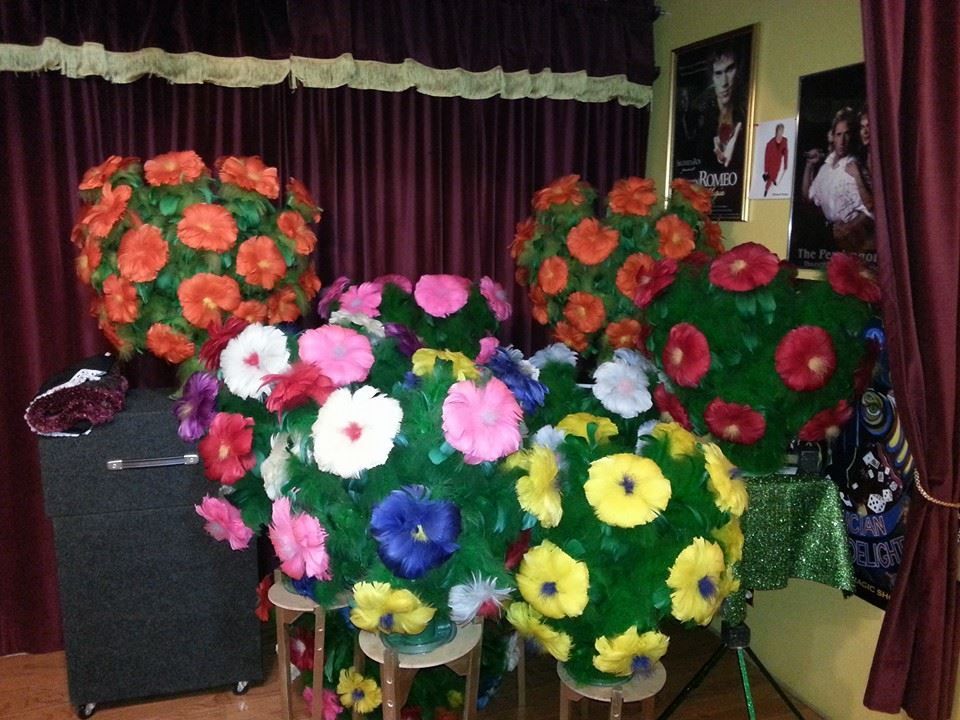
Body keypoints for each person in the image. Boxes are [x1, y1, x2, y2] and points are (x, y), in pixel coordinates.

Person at [801, 107, 873, 251]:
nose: (842, 140)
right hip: (830, 238)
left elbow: (872, 210)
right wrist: (809, 166)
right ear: (832, 137)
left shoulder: (855, 166)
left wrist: (849, 227)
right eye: (839, 135)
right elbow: (808, 197)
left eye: (847, 134)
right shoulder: (826, 168)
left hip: (857, 239)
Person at [762, 123, 789, 196]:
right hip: (771, 164)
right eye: (779, 131)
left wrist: (785, 165)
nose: (780, 133)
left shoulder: (784, 142)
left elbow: (785, 153)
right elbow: (766, 157)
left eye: (782, 131)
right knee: (769, 179)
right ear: (776, 132)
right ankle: (766, 190)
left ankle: (774, 180)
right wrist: (766, 170)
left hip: (778, 163)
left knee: (776, 175)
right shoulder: (770, 144)